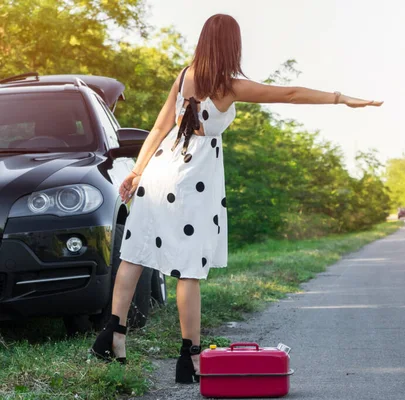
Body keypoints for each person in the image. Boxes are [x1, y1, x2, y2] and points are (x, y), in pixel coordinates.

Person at [91, 13, 383, 383]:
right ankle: (189, 359)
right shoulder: (230, 86)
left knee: (135, 253)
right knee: (188, 270)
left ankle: (113, 338)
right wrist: (341, 99)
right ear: (232, 45)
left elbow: (160, 126)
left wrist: (135, 172)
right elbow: (290, 94)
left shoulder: (184, 76)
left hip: (159, 172)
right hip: (191, 182)